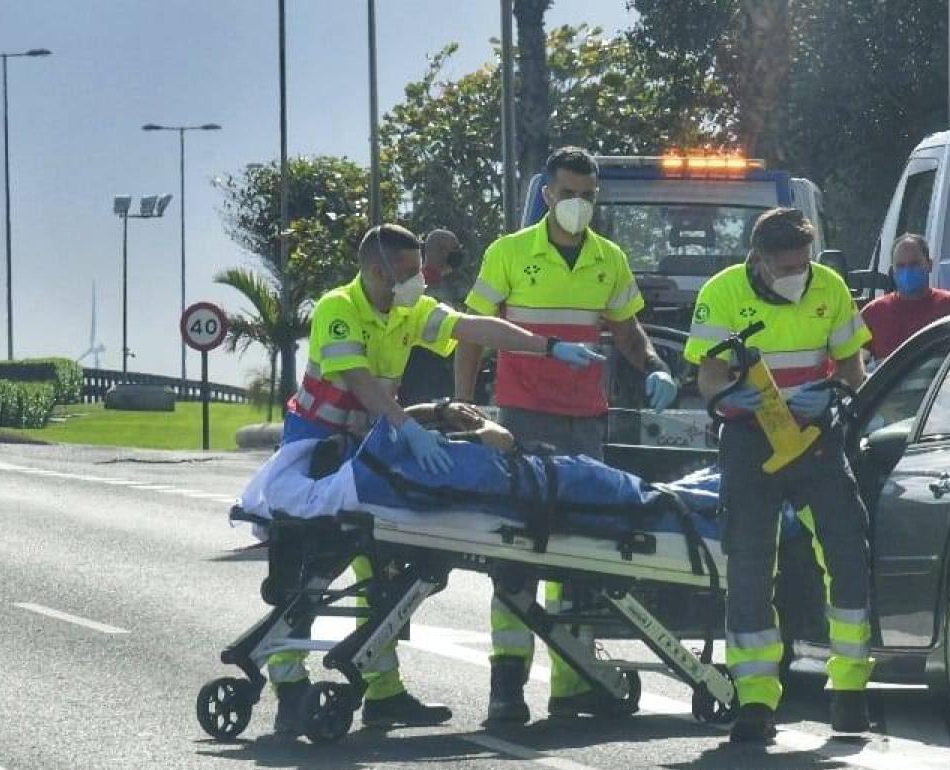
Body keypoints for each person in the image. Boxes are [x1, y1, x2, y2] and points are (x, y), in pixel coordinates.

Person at [271, 222, 605, 736]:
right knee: (312, 573)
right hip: (317, 451)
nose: (418, 283)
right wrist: (409, 428)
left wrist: (548, 346)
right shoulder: (339, 308)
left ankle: (381, 691)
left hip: (370, 450)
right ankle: (287, 683)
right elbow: (358, 383)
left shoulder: (406, 308)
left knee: (378, 573)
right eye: (409, 273)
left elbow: (475, 328)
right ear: (378, 271)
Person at [454, 146, 679, 724]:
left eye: (587, 195)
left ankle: (573, 681)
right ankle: (506, 684)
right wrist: (466, 403)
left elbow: (628, 334)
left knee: (581, 547)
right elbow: (472, 332)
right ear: (547, 195)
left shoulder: (609, 259)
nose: (578, 203)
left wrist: (654, 365)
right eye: (568, 193)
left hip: (585, 421)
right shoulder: (509, 253)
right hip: (522, 416)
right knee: (517, 547)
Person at [683, 207, 874, 742]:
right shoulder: (722, 294)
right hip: (750, 441)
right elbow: (709, 378)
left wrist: (833, 393)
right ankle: (757, 699)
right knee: (749, 566)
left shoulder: (830, 287)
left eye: (804, 264)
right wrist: (730, 397)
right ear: (759, 261)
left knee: (846, 552)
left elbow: (853, 368)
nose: (799, 275)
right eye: (787, 267)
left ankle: (851, 688)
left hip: (815, 440)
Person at [861, 233, 950, 362]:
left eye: (914, 264)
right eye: (900, 266)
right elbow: (847, 361)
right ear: (892, 270)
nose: (907, 271)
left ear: (929, 265)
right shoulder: (872, 312)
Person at [399, 228, 468, 404]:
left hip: (435, 369)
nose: (458, 255)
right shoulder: (420, 284)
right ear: (440, 250)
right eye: (454, 249)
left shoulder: (448, 283)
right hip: (421, 370)